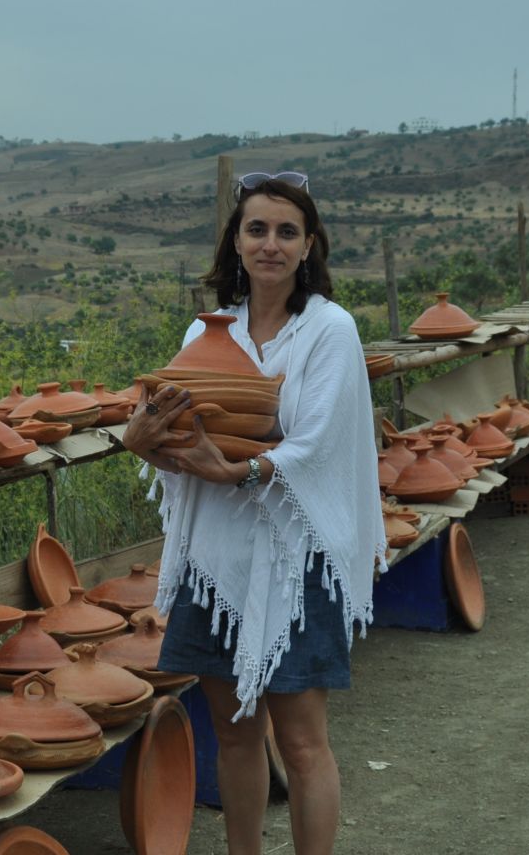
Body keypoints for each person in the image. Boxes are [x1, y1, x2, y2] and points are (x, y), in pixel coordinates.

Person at [122, 171, 387, 855]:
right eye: (257, 229)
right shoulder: (207, 331)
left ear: (309, 245)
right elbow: (180, 434)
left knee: (301, 743)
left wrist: (239, 469)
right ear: (236, 242)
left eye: (286, 231)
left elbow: (320, 443)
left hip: (297, 559)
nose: (271, 244)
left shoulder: (329, 329)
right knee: (234, 730)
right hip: (217, 559)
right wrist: (144, 442)